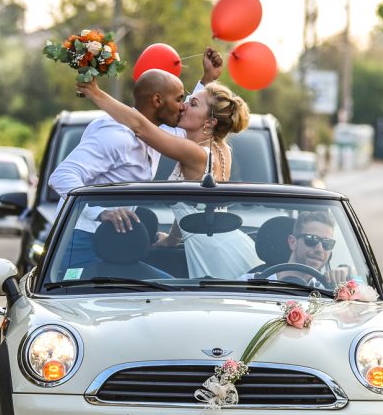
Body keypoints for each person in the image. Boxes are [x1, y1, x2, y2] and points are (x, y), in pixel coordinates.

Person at [49, 49, 223, 267]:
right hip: (80, 240)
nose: (183, 106)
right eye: (180, 99)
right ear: (158, 100)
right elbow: (61, 176)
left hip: (114, 243)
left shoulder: (159, 133)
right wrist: (102, 212)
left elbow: (194, 120)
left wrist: (208, 79)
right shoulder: (115, 135)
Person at [78, 67, 257, 277]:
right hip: (225, 242)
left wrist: (96, 93)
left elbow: (140, 127)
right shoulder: (222, 149)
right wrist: (172, 239)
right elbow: (194, 206)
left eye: (192, 104)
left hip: (212, 254)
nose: (182, 106)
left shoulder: (196, 153)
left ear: (209, 122)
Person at [250, 209, 350, 287]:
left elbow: (364, 294)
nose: (319, 249)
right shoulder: (247, 284)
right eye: (311, 239)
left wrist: (348, 271)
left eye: (327, 243)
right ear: (293, 242)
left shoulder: (334, 289)